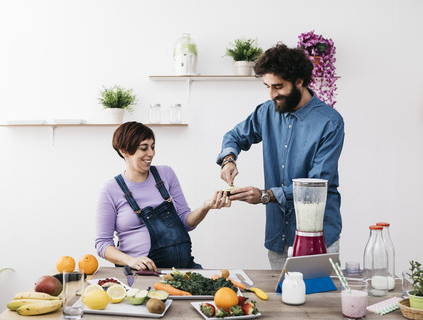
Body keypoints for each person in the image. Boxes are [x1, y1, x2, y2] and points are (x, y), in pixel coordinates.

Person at [217, 43, 345, 270]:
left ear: (299, 81)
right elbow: (234, 136)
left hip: (317, 235)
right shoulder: (266, 111)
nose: (272, 94)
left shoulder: (330, 122)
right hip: (278, 235)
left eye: (278, 86)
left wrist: (265, 196)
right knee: (281, 301)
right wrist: (229, 159)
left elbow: (315, 186)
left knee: (319, 303)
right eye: (267, 86)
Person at [96, 121, 230, 271]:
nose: (151, 153)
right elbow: (103, 244)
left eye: (153, 147)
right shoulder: (110, 190)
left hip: (182, 269)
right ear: (124, 151)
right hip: (141, 273)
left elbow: (186, 223)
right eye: (144, 148)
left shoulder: (166, 174)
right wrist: (131, 261)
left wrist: (206, 207)